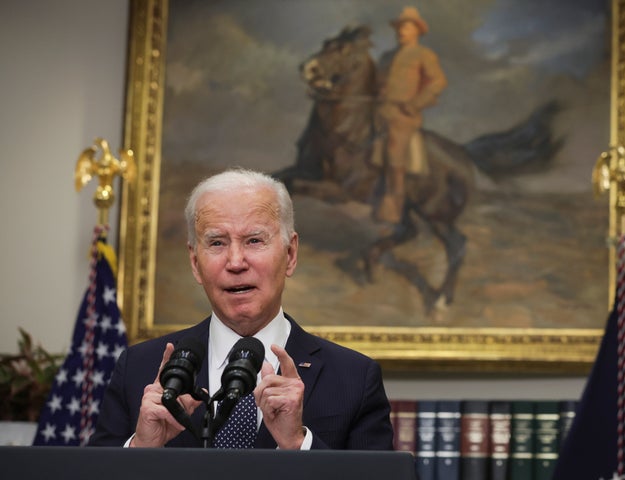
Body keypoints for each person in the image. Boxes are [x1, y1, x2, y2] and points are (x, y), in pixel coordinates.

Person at [89, 168, 394, 450]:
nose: (235, 262)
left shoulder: (353, 378)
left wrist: (298, 444)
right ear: (195, 263)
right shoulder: (138, 369)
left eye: (254, 240)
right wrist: (141, 447)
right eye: (217, 243)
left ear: (289, 254)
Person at [373, 6, 448, 224]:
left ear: (417, 30)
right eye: (399, 27)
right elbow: (377, 83)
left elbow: (438, 82)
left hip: (403, 116)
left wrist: (416, 104)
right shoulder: (387, 57)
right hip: (379, 112)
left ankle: (394, 206)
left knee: (395, 151)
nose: (401, 30)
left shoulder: (424, 55)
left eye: (406, 26)